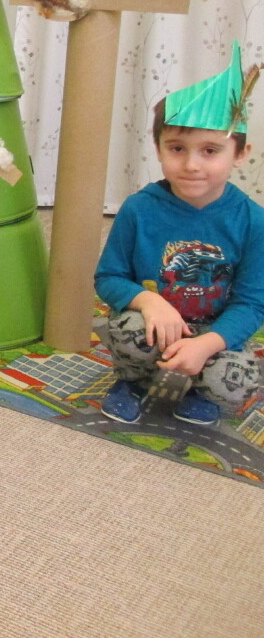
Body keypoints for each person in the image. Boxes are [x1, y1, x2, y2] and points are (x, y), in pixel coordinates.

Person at [94, 41, 263, 426]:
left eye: (210, 151)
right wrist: (148, 302)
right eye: (176, 148)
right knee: (128, 330)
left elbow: (253, 304)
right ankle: (132, 380)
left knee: (237, 383)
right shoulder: (138, 209)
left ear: (240, 153)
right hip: (155, 322)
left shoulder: (254, 221)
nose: (191, 165)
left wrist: (207, 344)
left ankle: (202, 391)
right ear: (158, 149)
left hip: (215, 328)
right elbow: (108, 278)